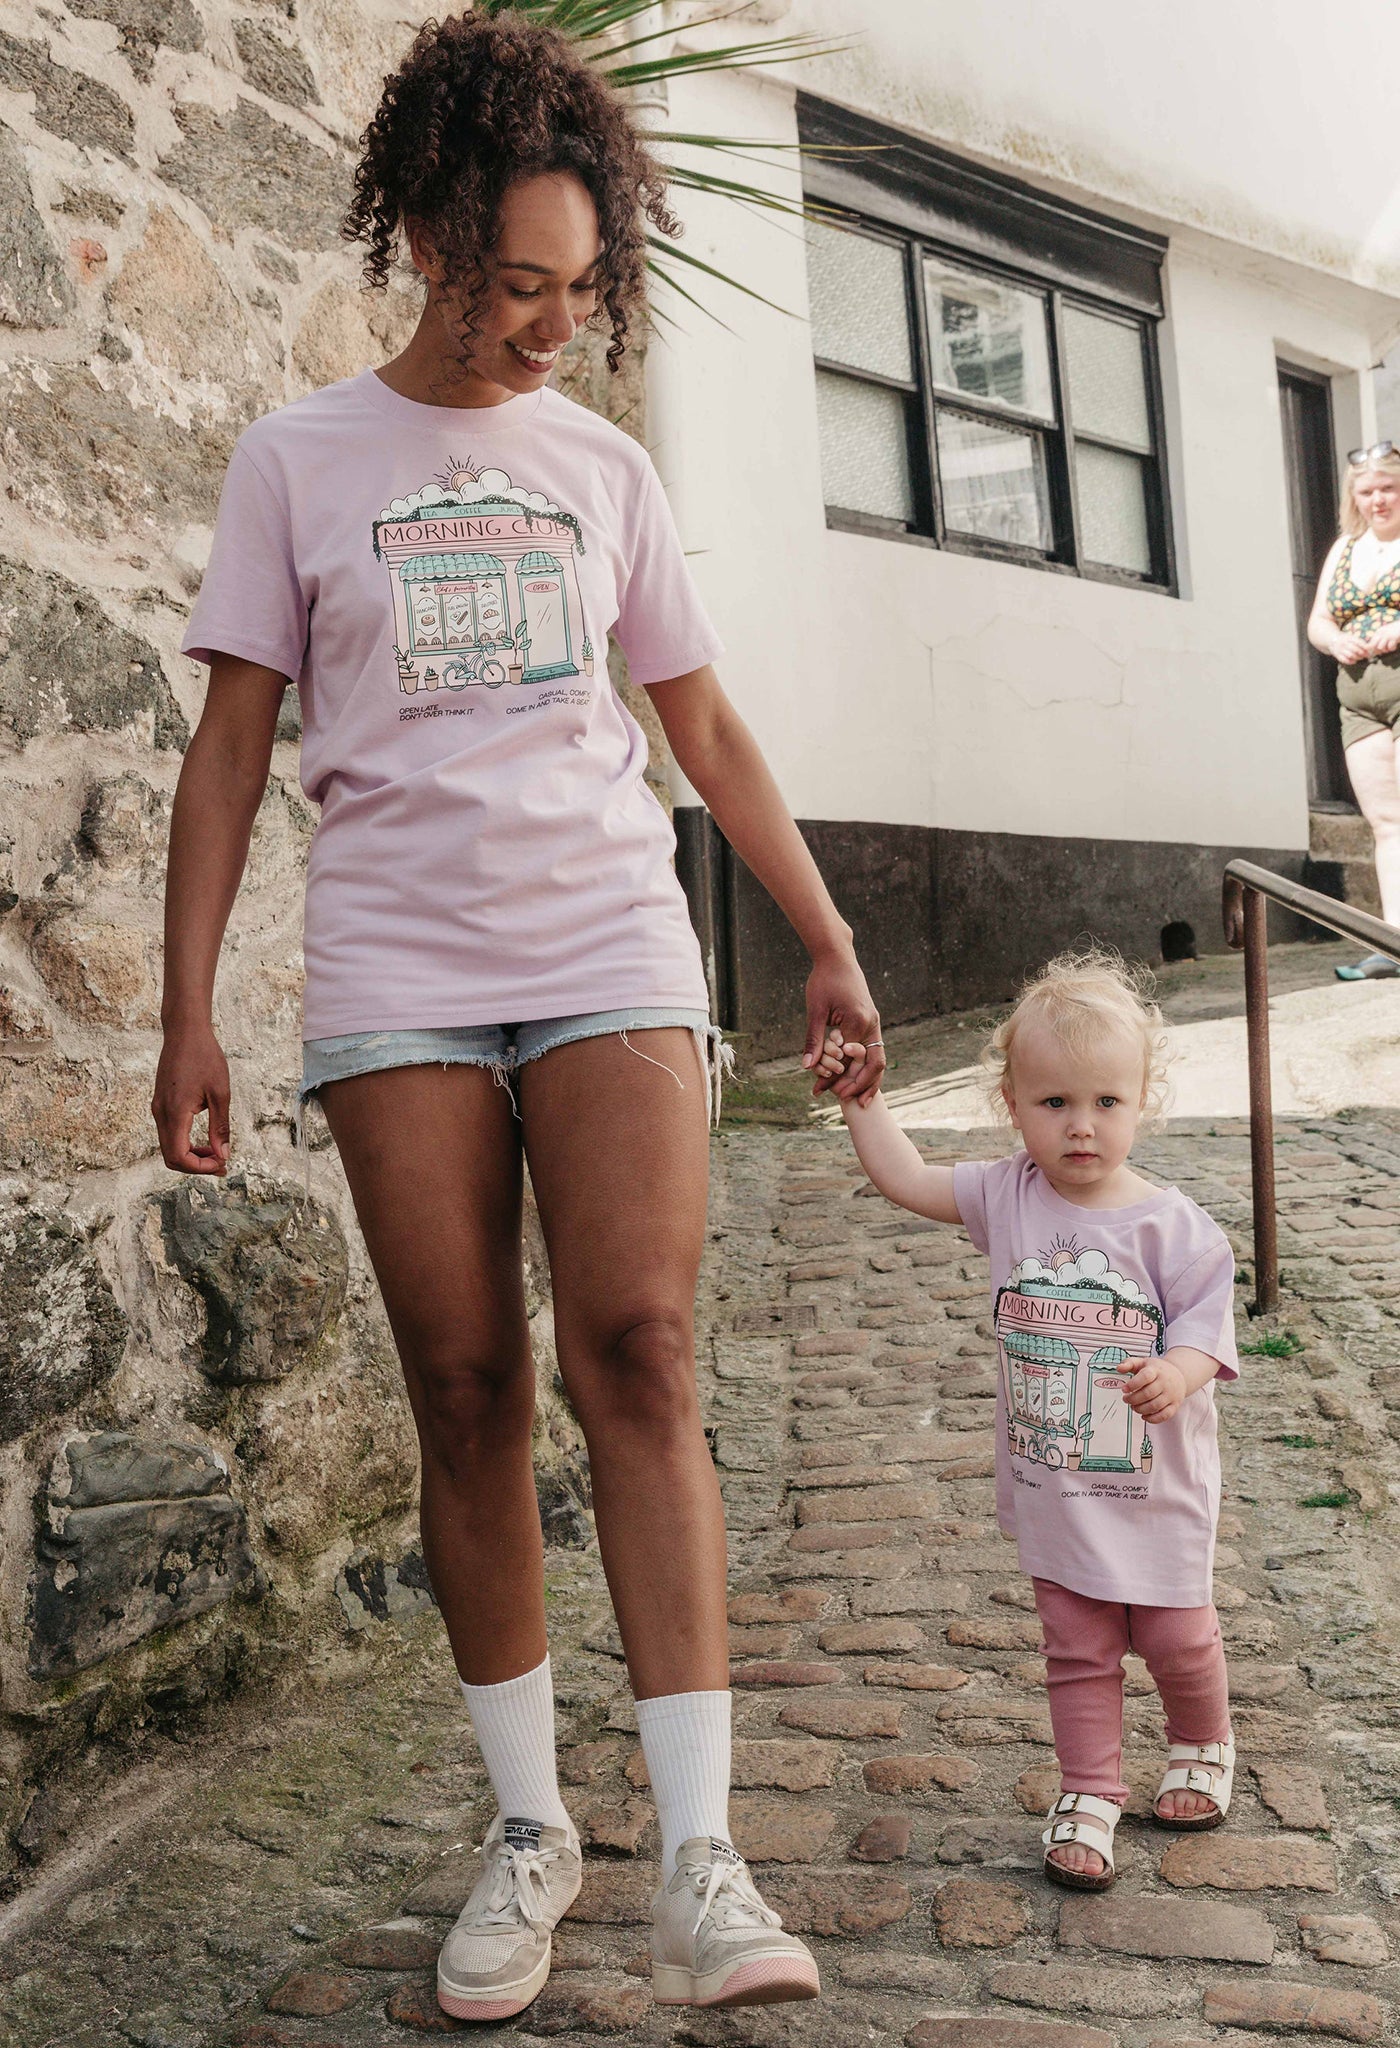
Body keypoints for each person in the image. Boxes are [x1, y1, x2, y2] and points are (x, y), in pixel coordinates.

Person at [151, 10, 886, 2018]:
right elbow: (230, 751)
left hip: (604, 946)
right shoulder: (297, 460)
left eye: (579, 288)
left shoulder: (601, 468)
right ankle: (528, 1830)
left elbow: (699, 723)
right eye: (511, 284)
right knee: (463, 1386)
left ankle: (705, 1861)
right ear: (423, 236)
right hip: (395, 962)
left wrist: (820, 934)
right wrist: (185, 1010)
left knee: (636, 1350)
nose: (550, 324)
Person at [816, 952, 1238, 1891]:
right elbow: (909, 1180)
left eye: (1105, 1103)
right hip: (1057, 1487)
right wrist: (861, 1102)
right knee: (1078, 1648)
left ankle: (1203, 1738)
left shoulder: (1174, 1228)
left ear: (1141, 1101)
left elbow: (1210, 1331)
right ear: (1012, 1101)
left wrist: (1177, 1369)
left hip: (1155, 1492)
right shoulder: (1007, 1195)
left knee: (1177, 1639)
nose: (1081, 1126)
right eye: (1053, 1104)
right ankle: (1090, 1789)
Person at [1307, 440, 1400, 978]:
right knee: (1386, 823)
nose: (1378, 500)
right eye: (1367, 491)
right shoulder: (1346, 547)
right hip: (1359, 700)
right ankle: (1393, 943)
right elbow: (1319, 620)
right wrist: (1334, 642)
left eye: (1387, 488)